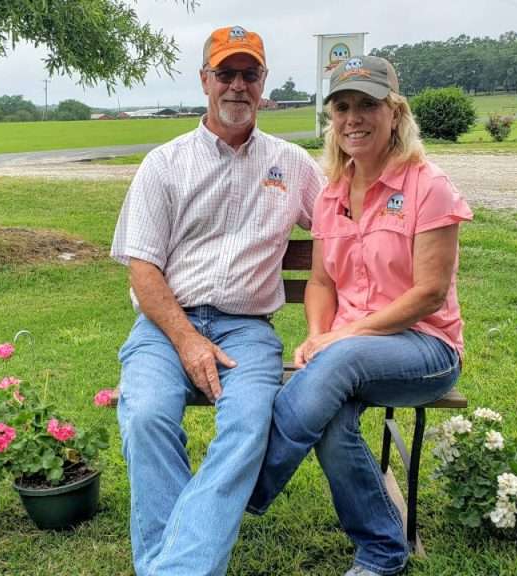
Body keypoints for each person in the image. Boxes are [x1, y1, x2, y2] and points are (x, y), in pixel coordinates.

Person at [110, 25, 324, 576]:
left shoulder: (293, 164)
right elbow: (142, 266)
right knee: (147, 416)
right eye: (224, 73)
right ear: (205, 80)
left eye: (248, 74)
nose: (236, 85)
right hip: (165, 327)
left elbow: (345, 228)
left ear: (263, 83)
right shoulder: (165, 162)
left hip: (247, 329)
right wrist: (186, 340)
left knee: (249, 424)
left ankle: (170, 567)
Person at [247, 55, 473, 576]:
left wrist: (340, 339)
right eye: (343, 106)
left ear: (395, 112)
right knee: (330, 424)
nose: (354, 118)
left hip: (425, 350)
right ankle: (382, 551)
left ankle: (240, 490)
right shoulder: (330, 195)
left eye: (368, 105)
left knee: (340, 362)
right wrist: (316, 335)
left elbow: (430, 293)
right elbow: (323, 282)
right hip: (347, 351)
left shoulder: (427, 185)